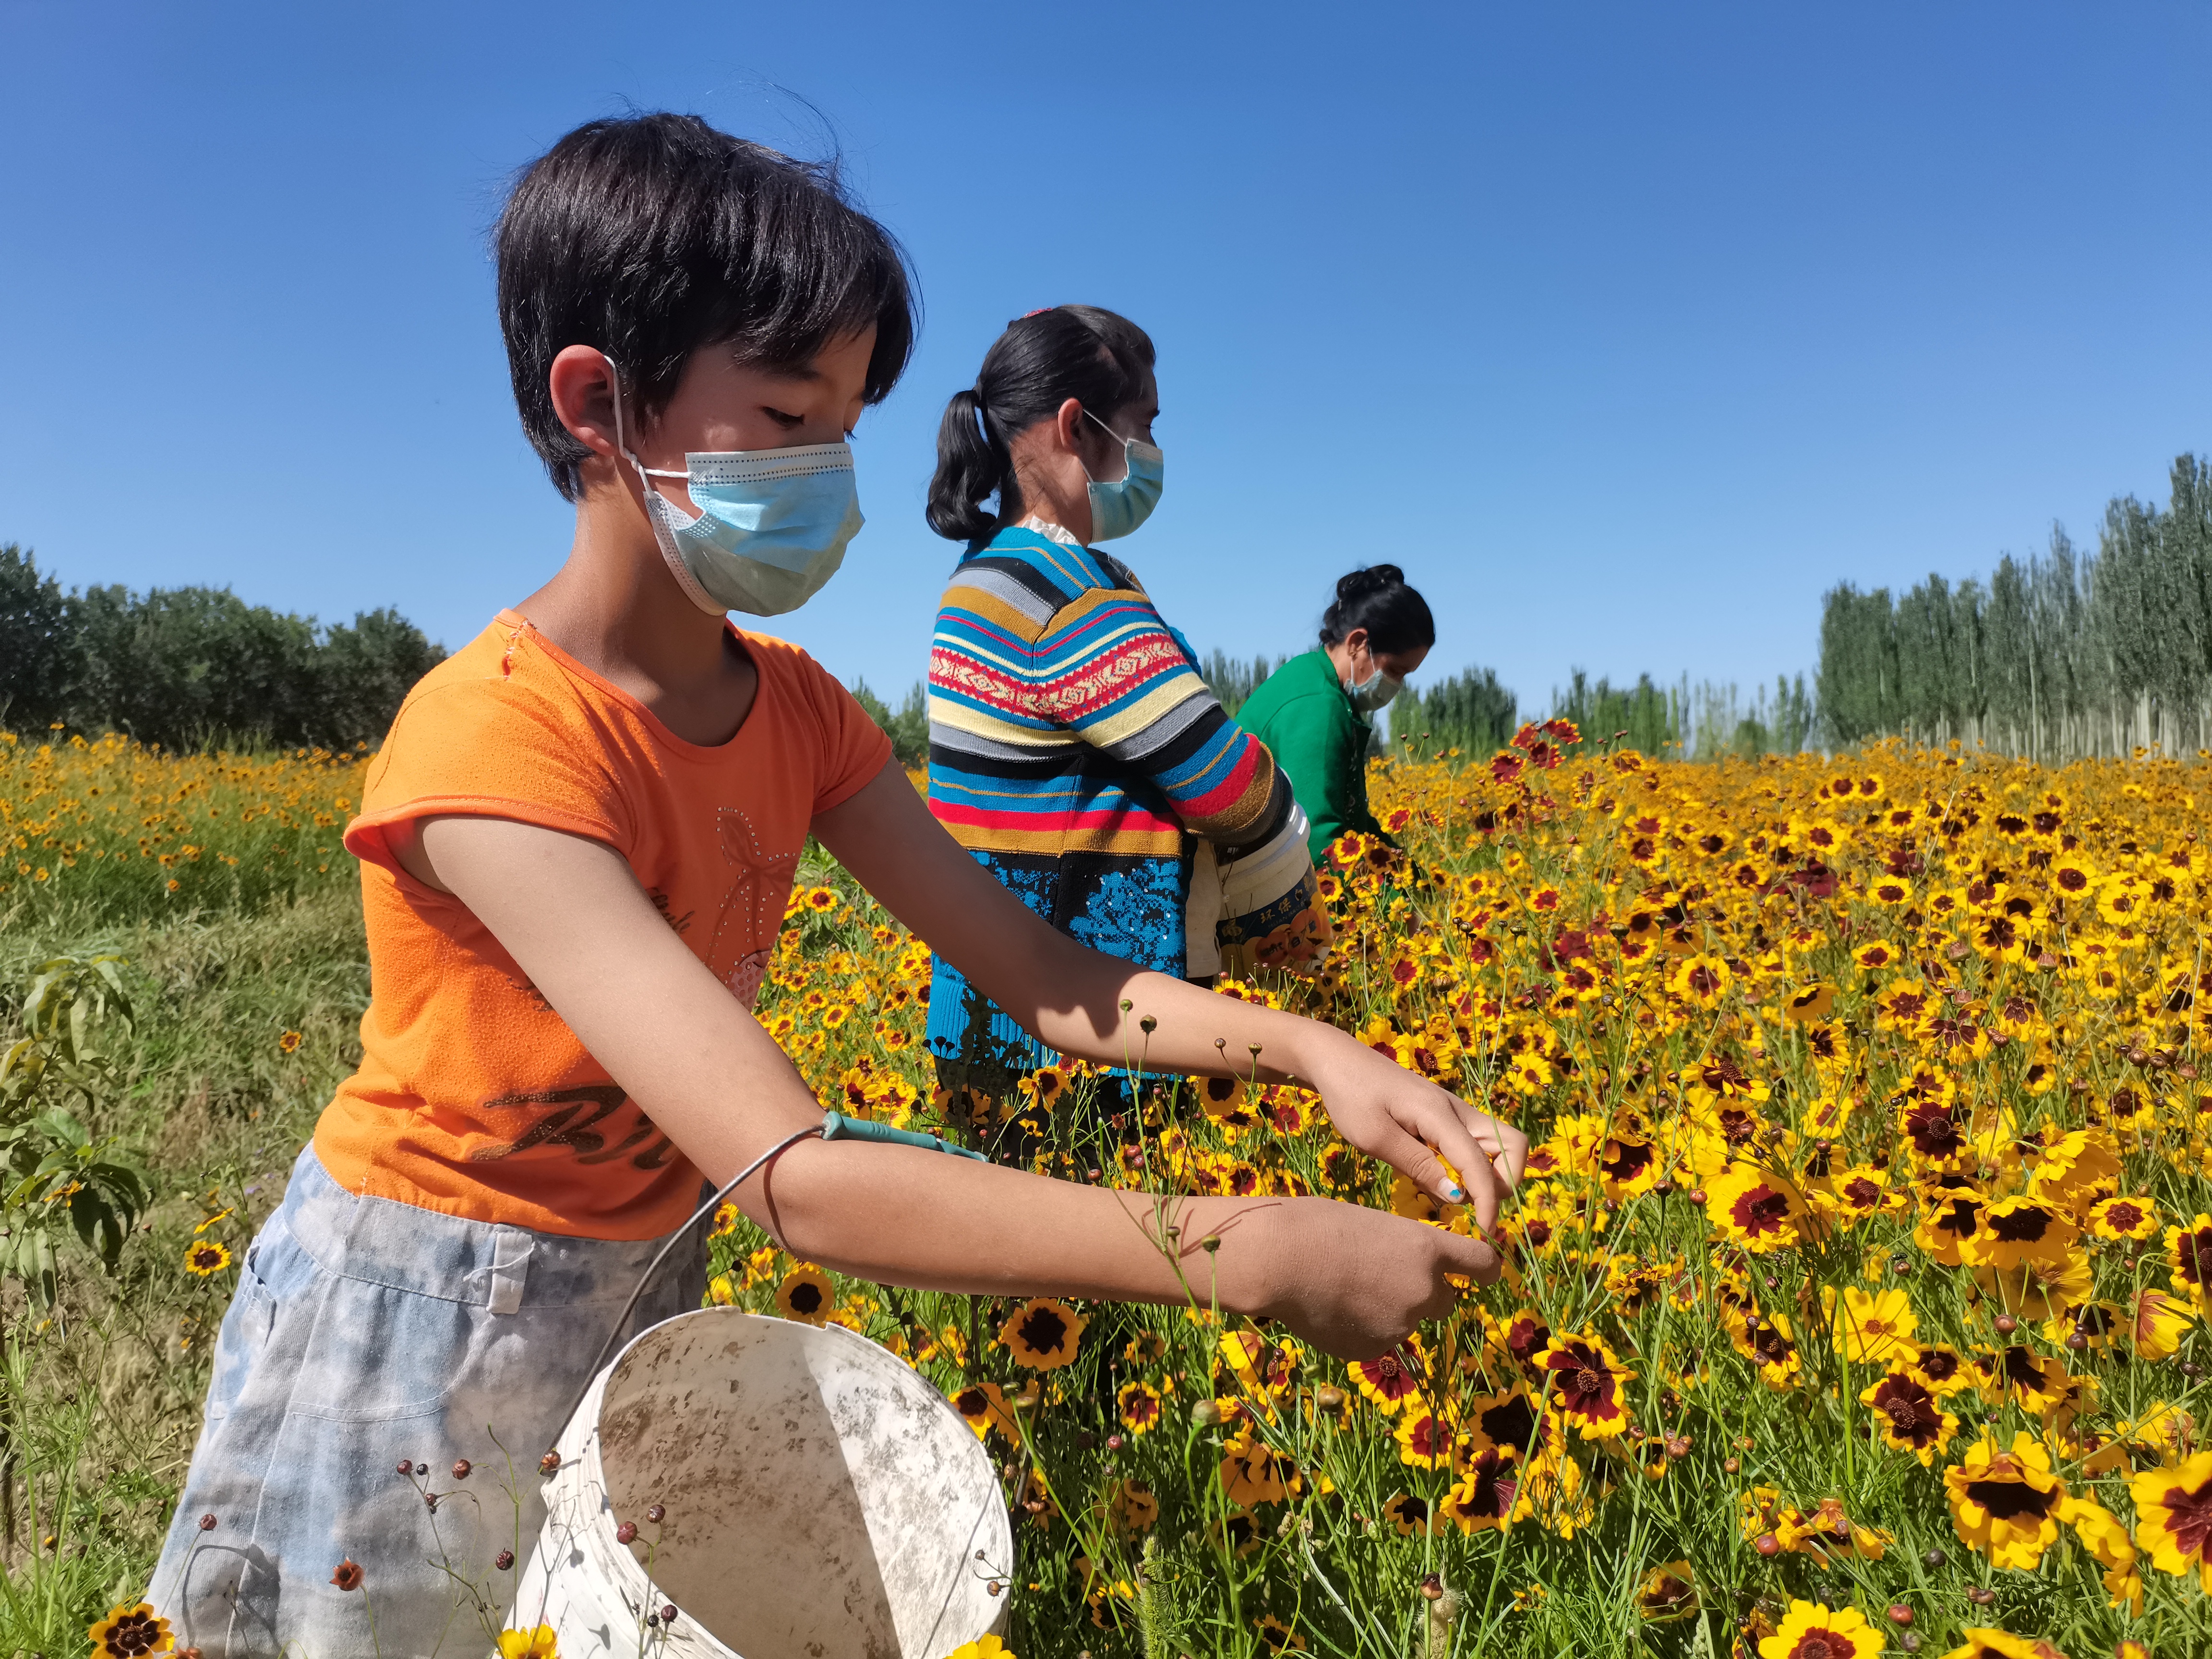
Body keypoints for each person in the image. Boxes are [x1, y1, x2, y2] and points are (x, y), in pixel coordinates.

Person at [144, 117, 1523, 1656]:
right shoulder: (496, 744)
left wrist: (1323, 1052)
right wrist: (1241, 1253)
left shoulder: (799, 713)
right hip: (418, 1322)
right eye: (792, 411)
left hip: (650, 1281)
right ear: (602, 404)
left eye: (851, 418)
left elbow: (1049, 978)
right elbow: (792, 1177)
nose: (838, 472)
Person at [921, 307, 1330, 1117]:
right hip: (1094, 1033)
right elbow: (1232, 788)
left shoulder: (986, 579)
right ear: (1078, 426)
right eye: (1142, 425)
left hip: (994, 1018)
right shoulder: (1061, 595)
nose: (1150, 452)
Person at [1234, 565, 1435, 863]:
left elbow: (1352, 819)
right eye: (1394, 670)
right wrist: (1398, 899)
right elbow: (1318, 843)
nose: (1397, 685)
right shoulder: (1319, 707)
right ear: (1357, 644)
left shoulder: (1317, 682)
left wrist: (1411, 877)